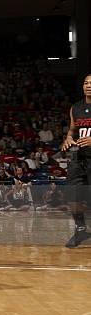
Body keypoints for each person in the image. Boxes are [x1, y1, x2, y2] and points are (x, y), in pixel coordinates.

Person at [61, 75, 91, 247]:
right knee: (72, 195)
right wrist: (68, 139)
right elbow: (72, 130)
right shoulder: (76, 108)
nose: (88, 86)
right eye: (86, 83)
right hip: (78, 158)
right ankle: (80, 230)